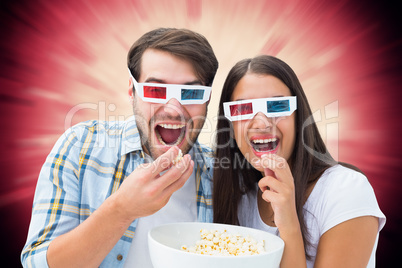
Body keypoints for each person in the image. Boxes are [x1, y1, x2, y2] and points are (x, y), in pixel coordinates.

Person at [21, 28, 219, 268]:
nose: (173, 108)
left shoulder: (220, 176)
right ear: (132, 91)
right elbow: (36, 263)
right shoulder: (81, 146)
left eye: (191, 93)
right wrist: (121, 210)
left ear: (207, 100)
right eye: (155, 90)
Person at [213, 55, 385, 267]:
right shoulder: (238, 195)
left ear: (299, 118)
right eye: (243, 110)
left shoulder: (346, 190)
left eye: (277, 106)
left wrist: (289, 223)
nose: (261, 123)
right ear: (229, 127)